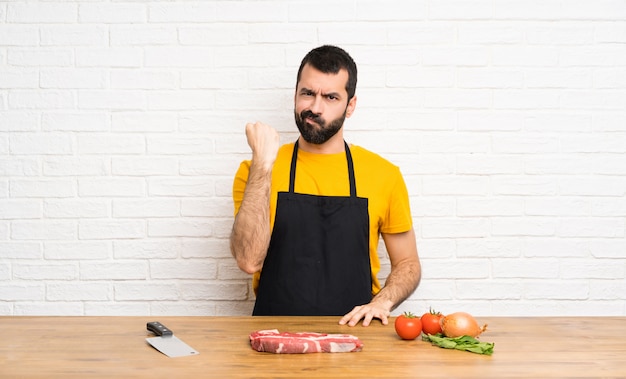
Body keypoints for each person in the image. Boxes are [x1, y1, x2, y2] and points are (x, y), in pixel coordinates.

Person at [230, 45, 421, 327]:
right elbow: (248, 261)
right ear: (295, 95)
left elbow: (408, 264)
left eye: (331, 97)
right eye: (307, 93)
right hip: (272, 339)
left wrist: (383, 301)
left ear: (350, 105)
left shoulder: (384, 175)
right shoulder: (257, 171)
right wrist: (262, 164)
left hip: (356, 336)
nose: (315, 108)